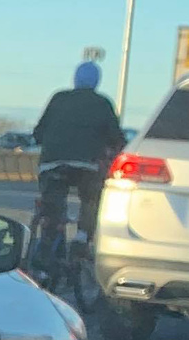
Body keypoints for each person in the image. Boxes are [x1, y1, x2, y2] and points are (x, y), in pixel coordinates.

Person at [32, 61, 125, 269]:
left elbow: (38, 133)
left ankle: (50, 236)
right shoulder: (102, 103)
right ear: (96, 82)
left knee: (52, 203)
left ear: (74, 78)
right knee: (91, 199)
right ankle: (82, 238)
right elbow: (116, 138)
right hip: (87, 166)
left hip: (52, 163)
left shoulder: (58, 98)